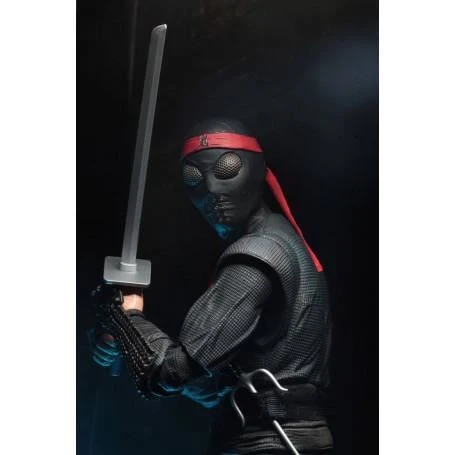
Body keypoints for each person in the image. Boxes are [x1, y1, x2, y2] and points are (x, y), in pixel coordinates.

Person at [93, 118, 333, 454]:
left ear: (257, 171)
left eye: (226, 169)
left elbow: (172, 373)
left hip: (270, 443)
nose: (211, 190)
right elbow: (211, 385)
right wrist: (130, 340)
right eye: (194, 178)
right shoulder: (280, 242)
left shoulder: (258, 253)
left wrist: (126, 316)